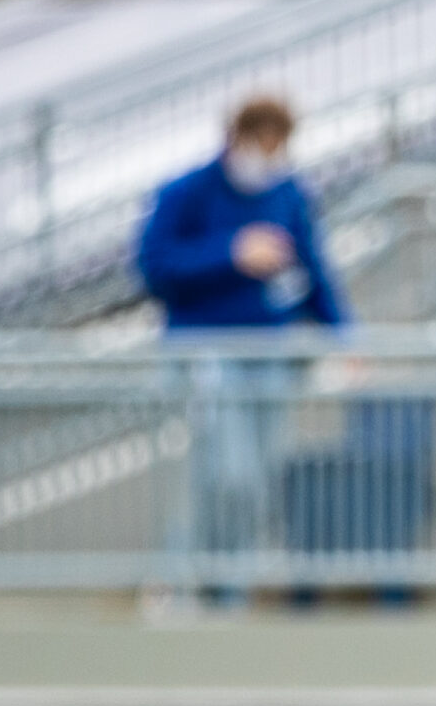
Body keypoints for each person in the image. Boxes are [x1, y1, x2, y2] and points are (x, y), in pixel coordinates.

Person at [135, 97, 349, 566]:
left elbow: (314, 270)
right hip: (207, 353)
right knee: (224, 474)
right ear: (238, 138)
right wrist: (231, 253)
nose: (269, 159)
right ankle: (190, 574)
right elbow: (155, 268)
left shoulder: (288, 194)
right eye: (263, 145)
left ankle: (233, 583)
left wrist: (344, 336)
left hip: (271, 353)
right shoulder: (186, 192)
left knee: (260, 477)